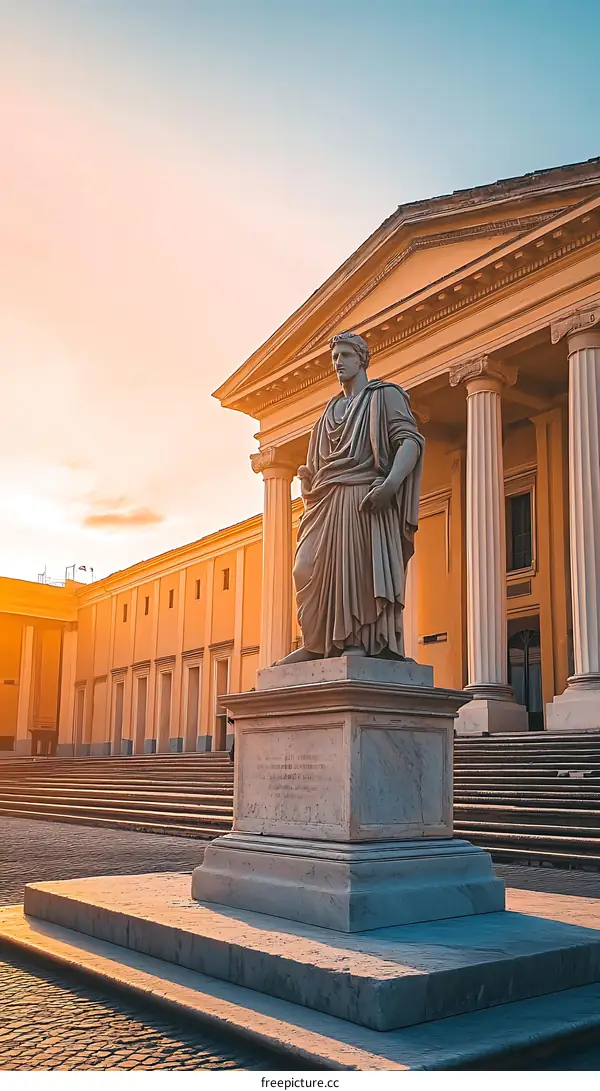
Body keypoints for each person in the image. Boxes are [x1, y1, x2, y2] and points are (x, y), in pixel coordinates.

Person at [278, 330, 424, 664]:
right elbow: (316, 469)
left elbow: (410, 442)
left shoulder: (384, 396)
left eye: (345, 355)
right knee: (304, 568)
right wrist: (307, 486)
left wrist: (390, 485)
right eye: (334, 357)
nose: (338, 363)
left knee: (357, 572)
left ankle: (360, 638)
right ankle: (316, 642)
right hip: (327, 502)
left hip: (364, 498)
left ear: (362, 359)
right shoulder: (328, 413)